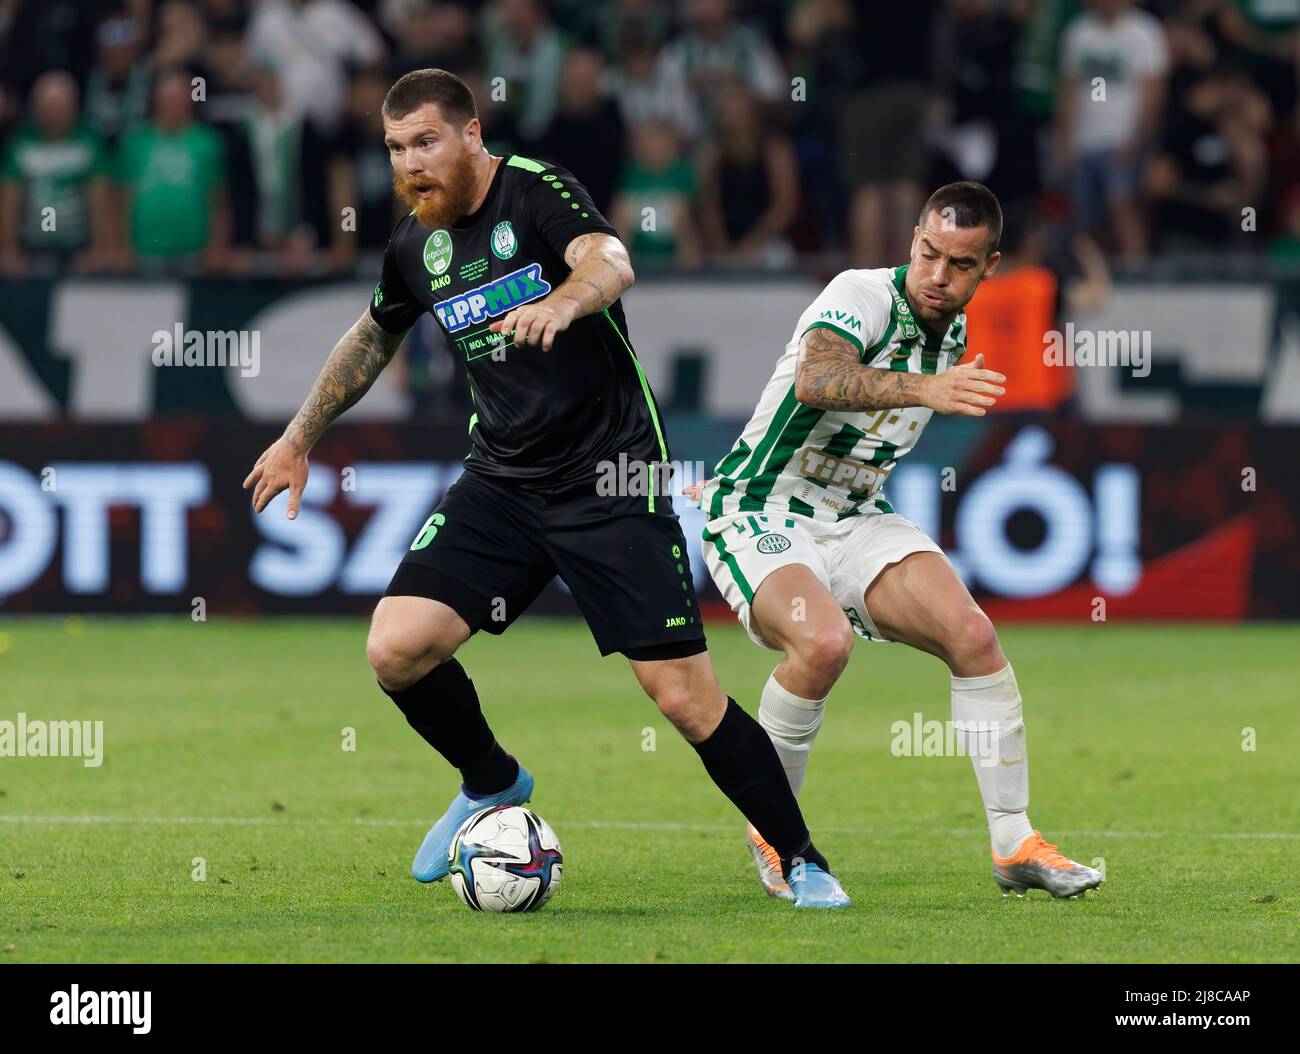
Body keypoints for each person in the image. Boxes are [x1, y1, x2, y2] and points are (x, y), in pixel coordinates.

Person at [242, 68, 849, 908]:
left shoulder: (533, 193)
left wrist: (567, 300)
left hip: (609, 478)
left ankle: (800, 856)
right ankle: (491, 781)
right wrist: (299, 436)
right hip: (501, 481)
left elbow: (611, 259)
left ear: (470, 136)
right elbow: (374, 334)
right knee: (396, 646)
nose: (410, 163)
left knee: (680, 694)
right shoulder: (415, 245)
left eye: (425, 141)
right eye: (395, 148)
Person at [685, 182, 1104, 901]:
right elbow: (817, 378)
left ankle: (1015, 843)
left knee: (973, 636)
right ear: (912, 240)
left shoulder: (958, 336)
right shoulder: (862, 292)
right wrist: (923, 389)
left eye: (960, 264)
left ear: (989, 267)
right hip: (761, 505)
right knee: (821, 645)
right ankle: (776, 835)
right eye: (928, 253)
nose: (938, 276)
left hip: (854, 516)